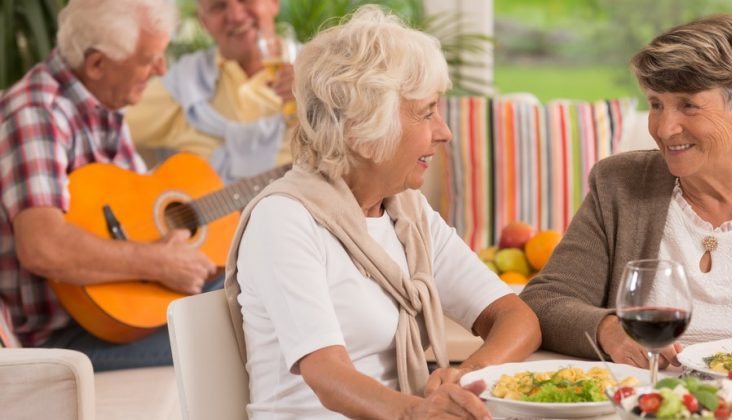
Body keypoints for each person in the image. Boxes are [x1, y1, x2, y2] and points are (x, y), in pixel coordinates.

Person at [222, 5, 541, 418]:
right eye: (426, 112)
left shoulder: (406, 215)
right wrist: (419, 414)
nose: (443, 132)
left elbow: (516, 318)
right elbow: (327, 376)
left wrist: (466, 378)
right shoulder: (285, 219)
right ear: (363, 129)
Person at [520, 13, 732, 369]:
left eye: (688, 105)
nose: (664, 127)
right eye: (656, 103)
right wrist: (609, 330)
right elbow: (547, 300)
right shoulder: (620, 184)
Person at [0, 0, 217, 371]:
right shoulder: (36, 113)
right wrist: (158, 262)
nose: (161, 69)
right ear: (97, 63)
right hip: (60, 340)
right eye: (150, 59)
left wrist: (167, 253)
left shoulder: (104, 100)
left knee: (243, 291)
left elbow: (134, 214)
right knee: (230, 327)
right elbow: (43, 247)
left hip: (117, 311)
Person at [125, 0, 294, 184]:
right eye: (218, 6)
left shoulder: (318, 77)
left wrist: (316, 98)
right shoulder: (184, 84)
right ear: (204, 22)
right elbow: (104, 120)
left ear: (274, 3)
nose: (236, 16)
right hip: (208, 210)